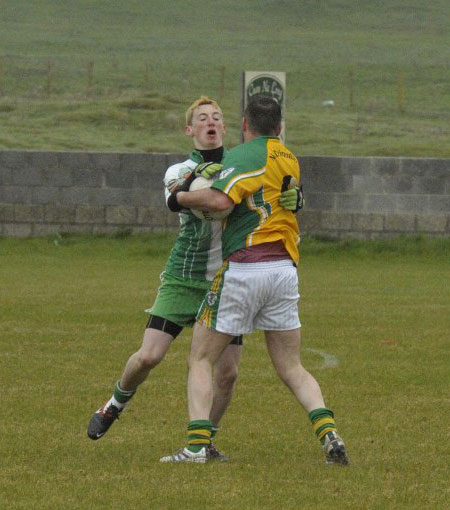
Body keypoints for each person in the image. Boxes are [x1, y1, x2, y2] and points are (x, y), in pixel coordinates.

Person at [87, 96, 300, 460]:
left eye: (217, 117)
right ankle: (115, 402)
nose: (211, 122)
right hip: (184, 277)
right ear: (190, 130)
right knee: (149, 356)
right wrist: (209, 184)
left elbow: (272, 193)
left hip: (228, 277)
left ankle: (205, 440)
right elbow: (206, 208)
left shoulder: (241, 163)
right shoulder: (178, 171)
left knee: (228, 374)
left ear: (227, 127)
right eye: (202, 118)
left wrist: (295, 197)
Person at [160, 96, 349, 465]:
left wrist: (179, 197)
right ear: (279, 127)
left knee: (200, 357)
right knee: (292, 367)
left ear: (245, 123)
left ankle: (197, 447)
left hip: (246, 267)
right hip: (284, 270)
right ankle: (330, 435)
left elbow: (218, 202)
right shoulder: (288, 157)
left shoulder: (245, 156)